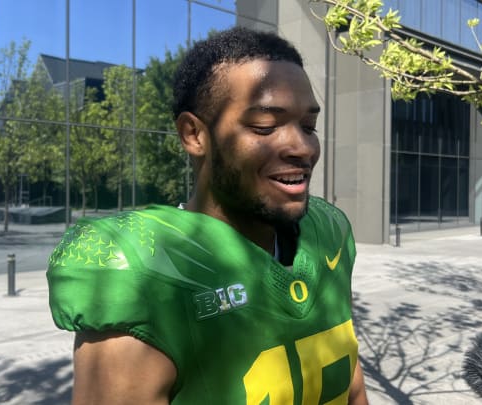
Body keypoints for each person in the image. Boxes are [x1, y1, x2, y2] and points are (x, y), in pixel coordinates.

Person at [47, 27, 368, 404]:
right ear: (194, 135)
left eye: (309, 126)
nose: (302, 147)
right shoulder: (149, 279)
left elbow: (349, 379)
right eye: (265, 126)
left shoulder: (327, 234)